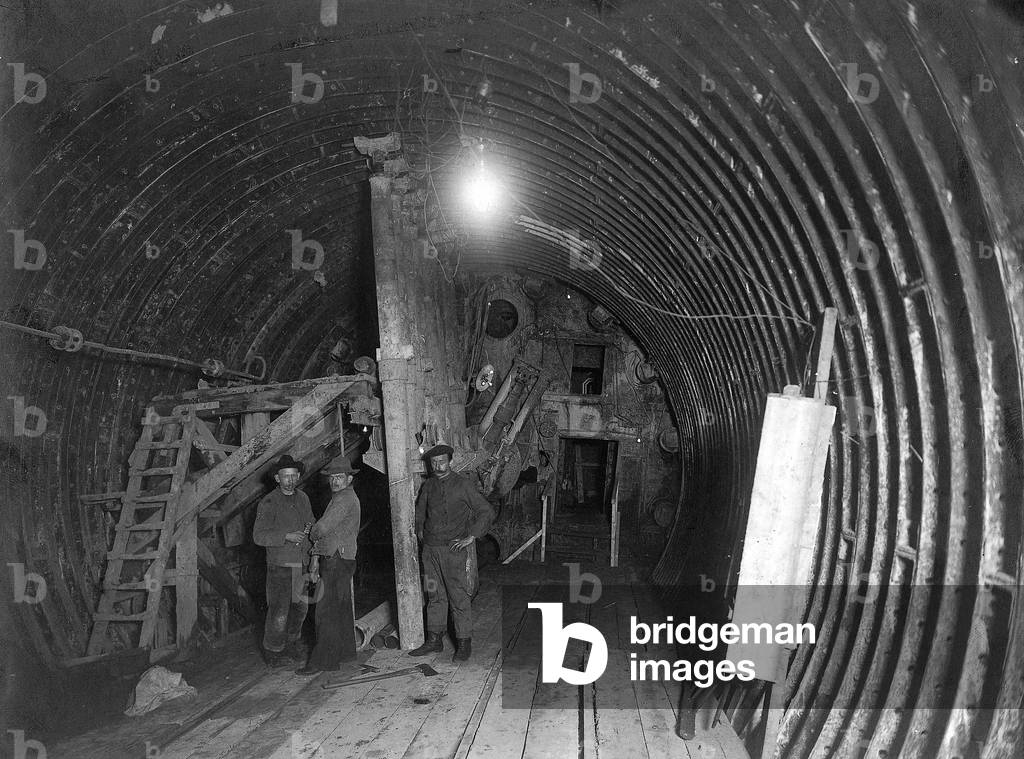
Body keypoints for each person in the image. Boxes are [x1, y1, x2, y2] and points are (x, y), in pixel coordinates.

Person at [408, 444, 494, 661]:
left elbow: (486, 511)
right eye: (434, 463)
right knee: (434, 594)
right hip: (430, 553)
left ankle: (464, 643)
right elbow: (420, 512)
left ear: (451, 461)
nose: (438, 466)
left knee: (458, 596)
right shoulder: (428, 486)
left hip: (453, 552)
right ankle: (434, 640)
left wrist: (471, 536)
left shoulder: (463, 485)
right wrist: (420, 531)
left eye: (442, 461)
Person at [297, 456, 361, 675]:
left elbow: (321, 529)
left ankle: (323, 662)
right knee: (340, 608)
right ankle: (345, 654)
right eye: (332, 478)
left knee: (325, 611)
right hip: (344, 557)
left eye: (340, 477)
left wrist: (312, 530)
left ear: (349, 478)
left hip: (335, 559)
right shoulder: (346, 497)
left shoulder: (343, 499)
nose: (335, 482)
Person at [252, 454, 315, 666]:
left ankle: (290, 645)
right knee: (279, 612)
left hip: (301, 563)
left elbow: (311, 521)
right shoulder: (268, 502)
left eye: (293, 476)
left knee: (300, 609)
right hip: (280, 566)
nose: (290, 480)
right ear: (277, 479)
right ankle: (273, 653)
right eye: (285, 477)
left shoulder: (303, 498)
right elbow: (258, 536)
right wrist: (286, 536)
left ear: (298, 476)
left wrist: (310, 529)